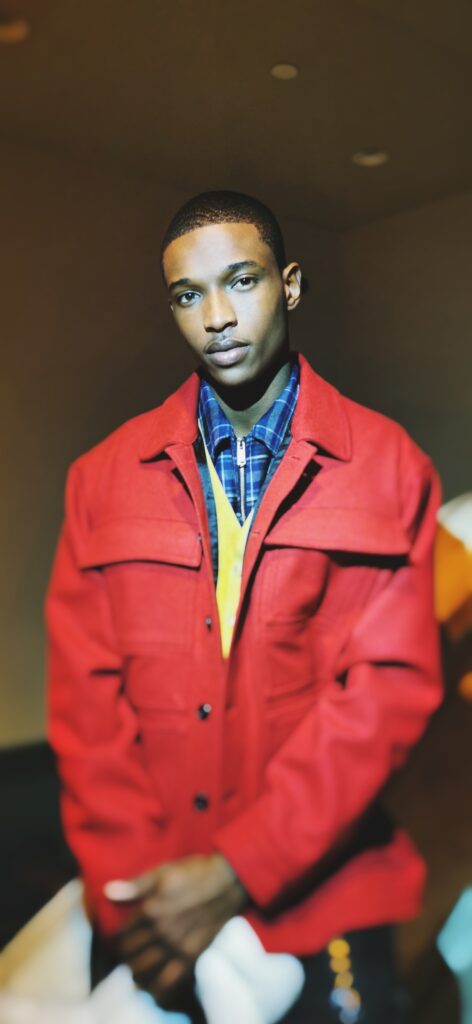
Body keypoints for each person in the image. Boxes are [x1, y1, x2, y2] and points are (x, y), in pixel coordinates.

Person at [45, 190, 443, 1023]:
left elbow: (384, 697)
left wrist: (238, 870)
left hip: (322, 893)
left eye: (242, 281)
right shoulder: (101, 478)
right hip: (148, 896)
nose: (217, 318)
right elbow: (86, 706)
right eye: (189, 295)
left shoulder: (389, 467)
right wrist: (140, 895)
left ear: (288, 285)